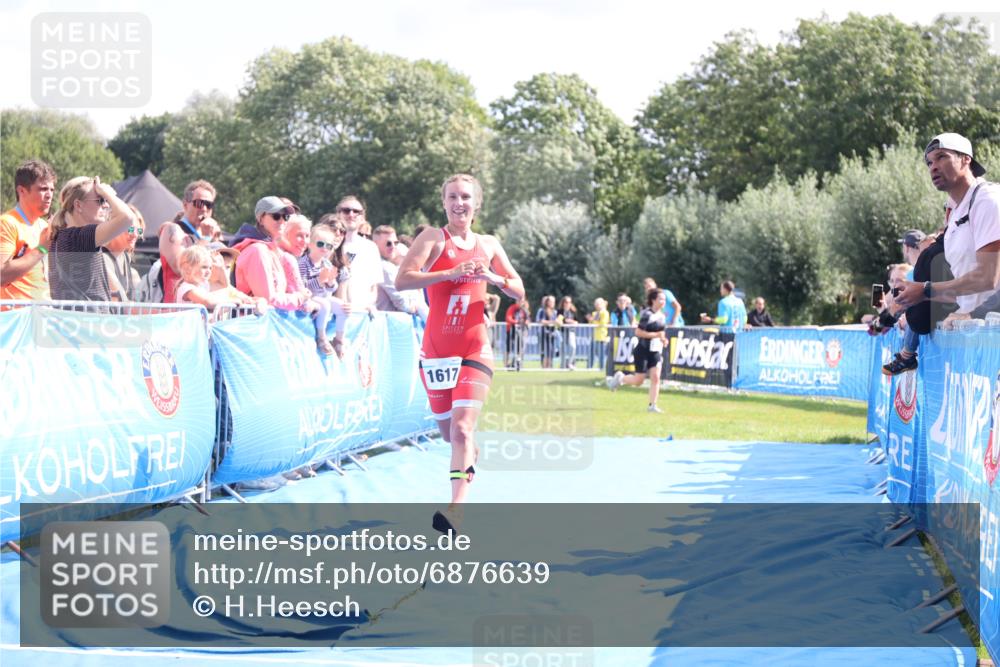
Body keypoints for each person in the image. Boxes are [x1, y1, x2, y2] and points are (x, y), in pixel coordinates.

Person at [396, 173, 524, 534]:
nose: (459, 203)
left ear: (477, 203)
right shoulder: (434, 239)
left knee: (463, 428)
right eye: (452, 196)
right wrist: (451, 271)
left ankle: (455, 512)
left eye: (465, 197)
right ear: (444, 202)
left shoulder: (489, 244)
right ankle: (467, 464)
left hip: (474, 347)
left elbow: (518, 290)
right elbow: (403, 279)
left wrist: (495, 279)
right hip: (436, 352)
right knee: (451, 435)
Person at [896, 132, 1000, 339]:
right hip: (971, 329)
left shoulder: (988, 200)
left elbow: (989, 279)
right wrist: (917, 295)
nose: (933, 166)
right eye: (929, 162)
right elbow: (964, 281)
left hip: (990, 329)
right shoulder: (954, 210)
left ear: (965, 159)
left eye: (942, 156)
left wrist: (926, 290)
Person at [48, 177, 136, 301]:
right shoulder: (79, 237)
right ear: (78, 205)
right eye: (100, 200)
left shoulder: (63, 236)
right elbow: (127, 218)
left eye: (106, 201)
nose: (106, 205)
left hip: (76, 318)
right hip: (89, 319)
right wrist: (109, 194)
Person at [234, 196, 317, 315]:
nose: (282, 221)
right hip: (251, 326)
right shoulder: (257, 250)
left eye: (286, 217)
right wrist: (300, 298)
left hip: (266, 325)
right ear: (261, 219)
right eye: (276, 216)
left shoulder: (271, 251)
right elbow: (269, 300)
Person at [1, 159, 56, 302]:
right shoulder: (7, 223)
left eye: (52, 189)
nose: (49, 195)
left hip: (43, 315)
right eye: (43, 189)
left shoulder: (44, 226)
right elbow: (1, 275)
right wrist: (42, 249)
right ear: (21, 191)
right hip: (15, 318)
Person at [607, 288, 668, 413]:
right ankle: (620, 378)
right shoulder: (647, 314)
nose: (663, 302)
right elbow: (638, 332)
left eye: (664, 299)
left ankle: (652, 406)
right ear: (653, 300)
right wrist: (655, 336)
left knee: (656, 377)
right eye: (661, 299)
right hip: (643, 350)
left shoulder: (662, 316)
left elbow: (661, 332)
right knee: (638, 381)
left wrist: (663, 339)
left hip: (655, 351)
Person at [299, 223, 352, 357]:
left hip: (323, 296)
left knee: (343, 307)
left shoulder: (327, 264)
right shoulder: (303, 263)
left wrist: (330, 282)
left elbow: (333, 287)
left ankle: (339, 339)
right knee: (325, 305)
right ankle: (321, 337)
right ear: (310, 244)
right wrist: (320, 281)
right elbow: (302, 286)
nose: (324, 249)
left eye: (328, 246)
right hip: (310, 298)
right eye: (320, 244)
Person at [158, 180, 215, 303]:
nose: (204, 209)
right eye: (199, 203)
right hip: (177, 312)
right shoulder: (173, 229)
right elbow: (180, 267)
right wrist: (205, 239)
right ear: (185, 205)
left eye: (209, 205)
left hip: (202, 310)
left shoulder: (209, 236)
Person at [175, 245, 264, 314]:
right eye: (204, 267)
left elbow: (225, 286)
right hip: (191, 333)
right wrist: (231, 301)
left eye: (210, 267)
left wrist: (257, 301)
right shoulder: (187, 288)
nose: (208, 271)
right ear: (187, 269)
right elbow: (208, 301)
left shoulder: (203, 286)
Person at [335, 196, 380, 311]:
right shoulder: (330, 245)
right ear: (338, 214)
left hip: (363, 316)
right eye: (346, 210)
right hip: (336, 316)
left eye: (356, 212)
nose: (351, 214)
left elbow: (374, 287)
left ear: (363, 218)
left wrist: (367, 305)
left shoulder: (371, 247)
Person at [373, 224, 426, 319]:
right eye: (388, 243)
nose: (393, 246)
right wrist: (413, 308)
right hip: (391, 324)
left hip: (394, 322)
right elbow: (401, 302)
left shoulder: (389, 265)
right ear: (376, 245)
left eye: (396, 243)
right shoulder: (384, 267)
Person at [101, 208, 143, 302]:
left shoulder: (124, 258)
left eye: (139, 231)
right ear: (115, 226)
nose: (135, 235)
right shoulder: (101, 258)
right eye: (131, 229)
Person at [586, 297, 610, 369]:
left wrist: (593, 321)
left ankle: (601, 367)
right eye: (596, 304)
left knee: (601, 354)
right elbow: (591, 323)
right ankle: (589, 367)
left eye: (598, 304)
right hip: (594, 335)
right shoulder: (595, 313)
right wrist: (591, 320)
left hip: (602, 336)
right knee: (591, 352)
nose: (596, 305)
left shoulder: (605, 313)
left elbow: (602, 323)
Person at [536, 295, 558, 369]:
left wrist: (557, 323)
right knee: (545, 351)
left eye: (553, 302)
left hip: (552, 334)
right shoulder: (542, 311)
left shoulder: (554, 312)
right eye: (551, 301)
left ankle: (550, 366)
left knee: (551, 351)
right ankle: (545, 366)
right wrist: (552, 322)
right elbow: (540, 321)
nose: (553, 303)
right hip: (544, 333)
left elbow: (556, 322)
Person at [556, 295, 579, 369]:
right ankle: (563, 365)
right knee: (562, 349)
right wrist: (568, 321)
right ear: (563, 303)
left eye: (569, 302)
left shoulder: (573, 311)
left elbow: (577, 321)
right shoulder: (560, 311)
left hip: (571, 331)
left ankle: (570, 363)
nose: (567, 304)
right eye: (566, 302)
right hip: (562, 332)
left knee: (573, 347)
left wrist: (572, 322)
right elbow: (561, 319)